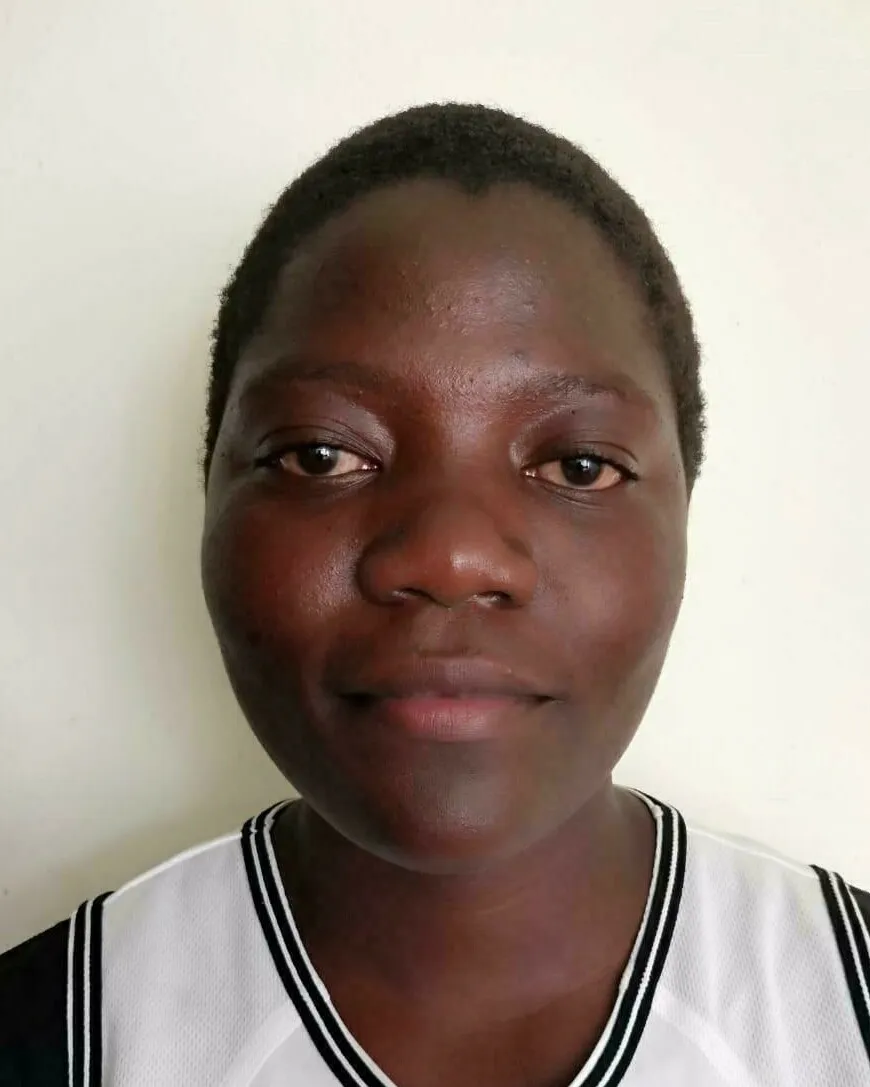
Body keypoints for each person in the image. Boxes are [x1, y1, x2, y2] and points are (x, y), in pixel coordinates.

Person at [1, 102, 868, 1087]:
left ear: (682, 515)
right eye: (320, 454)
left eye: (579, 465)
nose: (452, 557)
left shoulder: (838, 1009)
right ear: (211, 497)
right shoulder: (57, 1029)